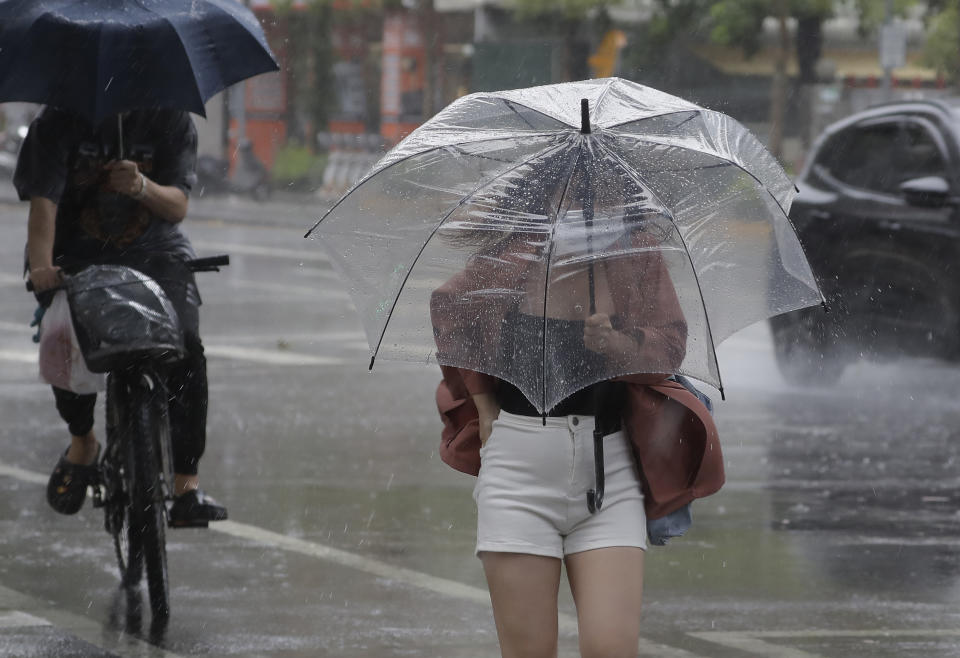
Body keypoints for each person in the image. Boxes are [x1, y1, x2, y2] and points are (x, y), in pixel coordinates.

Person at [430, 165, 723, 657]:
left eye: (604, 193)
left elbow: (670, 346)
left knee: (611, 648)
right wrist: (482, 404)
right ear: (548, 194)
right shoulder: (516, 251)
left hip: (608, 474)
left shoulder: (637, 254)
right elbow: (452, 312)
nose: (589, 205)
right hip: (518, 470)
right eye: (576, 191)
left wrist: (620, 342)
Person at [15, 106, 227, 527]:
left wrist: (141, 185)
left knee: (186, 347)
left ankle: (185, 486)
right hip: (77, 254)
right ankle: (83, 443)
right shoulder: (57, 121)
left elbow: (178, 206)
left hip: (158, 254)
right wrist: (41, 268)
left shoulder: (169, 118)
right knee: (65, 343)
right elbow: (44, 206)